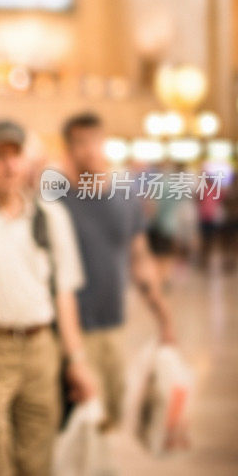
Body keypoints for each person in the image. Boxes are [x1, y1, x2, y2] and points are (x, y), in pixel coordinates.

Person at [0, 120, 97, 476]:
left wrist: (75, 359)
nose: (9, 164)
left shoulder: (51, 217)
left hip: (41, 350)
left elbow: (64, 295)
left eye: (15, 154)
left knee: (39, 460)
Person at [61, 112, 175, 433]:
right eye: (79, 143)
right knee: (79, 421)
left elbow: (141, 261)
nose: (89, 150)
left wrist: (164, 318)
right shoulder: (59, 200)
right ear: (70, 149)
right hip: (71, 332)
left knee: (110, 414)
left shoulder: (126, 197)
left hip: (113, 326)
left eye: (95, 140)